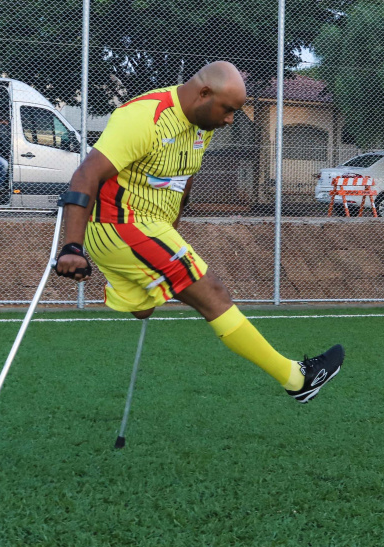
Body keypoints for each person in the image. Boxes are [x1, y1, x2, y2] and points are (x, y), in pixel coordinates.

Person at [54, 61, 344, 404]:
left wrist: (171, 230)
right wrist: (71, 247)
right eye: (228, 110)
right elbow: (85, 175)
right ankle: (297, 378)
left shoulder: (202, 125)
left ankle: (130, 283)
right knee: (213, 293)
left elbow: (183, 180)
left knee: (144, 309)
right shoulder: (143, 117)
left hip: (151, 227)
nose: (230, 120)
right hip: (121, 225)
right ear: (204, 93)